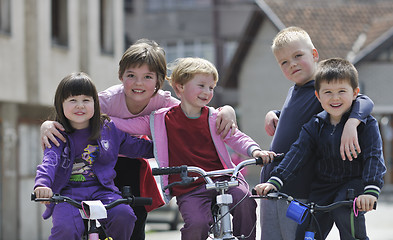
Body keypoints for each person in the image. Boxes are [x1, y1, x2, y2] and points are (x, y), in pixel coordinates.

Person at [39, 39, 238, 239]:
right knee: (70, 224)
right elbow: (70, 117)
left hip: (132, 160)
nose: (139, 83)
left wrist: (227, 110)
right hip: (98, 164)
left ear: (159, 81)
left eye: (147, 77)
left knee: (133, 214)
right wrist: (46, 125)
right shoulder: (104, 101)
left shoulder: (164, 102)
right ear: (121, 76)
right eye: (131, 75)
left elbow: (192, 111)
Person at [110, 57, 276, 240]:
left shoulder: (215, 117)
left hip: (224, 179)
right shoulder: (160, 119)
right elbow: (128, 125)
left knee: (245, 201)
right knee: (196, 223)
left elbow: (236, 137)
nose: (207, 92)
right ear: (179, 87)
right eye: (201, 85)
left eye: (211, 87)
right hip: (189, 187)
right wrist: (97, 119)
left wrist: (255, 151)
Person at [259, 26, 375, 240]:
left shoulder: (326, 91)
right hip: (273, 182)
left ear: (314, 54)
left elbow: (364, 101)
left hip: (299, 186)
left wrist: (352, 122)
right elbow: (293, 114)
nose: (291, 64)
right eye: (284, 62)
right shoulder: (294, 91)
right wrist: (273, 113)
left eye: (297, 56)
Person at [33, 72, 155, 240]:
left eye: (86, 100)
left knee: (124, 215)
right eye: (72, 100)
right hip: (68, 193)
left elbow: (136, 147)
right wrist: (42, 184)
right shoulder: (56, 133)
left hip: (102, 190)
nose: (80, 106)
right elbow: (50, 161)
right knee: (65, 229)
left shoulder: (107, 128)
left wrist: (166, 149)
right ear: (60, 104)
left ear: (95, 103)